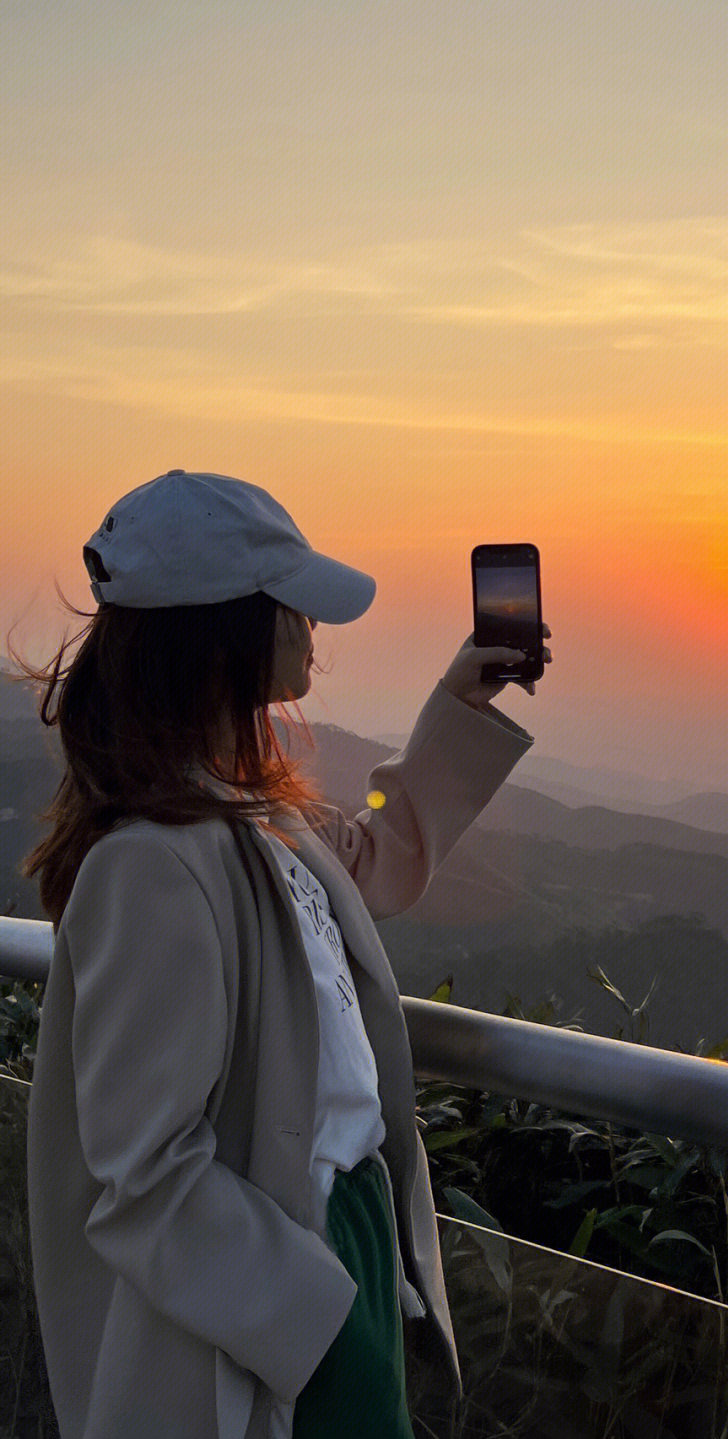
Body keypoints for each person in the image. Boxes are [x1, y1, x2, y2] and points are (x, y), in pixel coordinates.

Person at [18, 470, 553, 1438]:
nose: (315, 626)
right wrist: (319, 1313)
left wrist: (459, 703)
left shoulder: (251, 816)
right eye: (294, 603)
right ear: (225, 628)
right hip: (269, 1308)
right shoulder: (151, 865)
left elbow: (374, 856)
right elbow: (143, 1173)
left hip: (334, 1253)